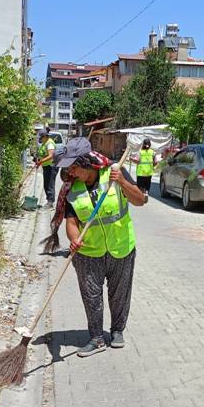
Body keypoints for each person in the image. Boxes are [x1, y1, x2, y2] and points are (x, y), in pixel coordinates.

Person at [54, 138, 145, 357]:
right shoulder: (72, 189)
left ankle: (117, 331)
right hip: (88, 253)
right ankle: (96, 338)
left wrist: (122, 182)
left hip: (121, 247)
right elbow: (71, 222)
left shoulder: (114, 172)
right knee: (91, 296)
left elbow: (140, 200)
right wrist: (74, 239)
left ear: (85, 162)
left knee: (119, 293)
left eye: (73, 166)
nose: (70, 172)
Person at [132, 138, 157, 203]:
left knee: (140, 186)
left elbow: (137, 161)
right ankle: (146, 193)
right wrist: (151, 167)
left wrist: (131, 159)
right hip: (149, 173)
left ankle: (140, 197)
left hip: (141, 173)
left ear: (143, 144)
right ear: (150, 144)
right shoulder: (153, 152)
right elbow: (155, 162)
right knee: (147, 185)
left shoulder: (140, 152)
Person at [36, 128, 57, 207]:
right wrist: (38, 161)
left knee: (50, 184)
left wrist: (41, 161)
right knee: (46, 184)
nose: (40, 139)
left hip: (51, 166)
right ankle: (48, 200)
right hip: (46, 166)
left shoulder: (49, 143)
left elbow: (51, 155)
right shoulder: (44, 143)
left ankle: (50, 202)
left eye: (41, 137)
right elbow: (42, 154)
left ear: (45, 136)